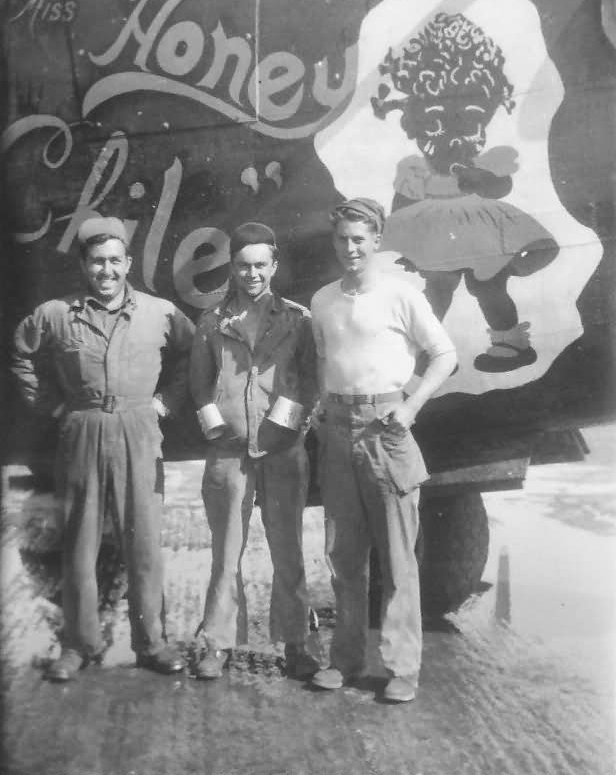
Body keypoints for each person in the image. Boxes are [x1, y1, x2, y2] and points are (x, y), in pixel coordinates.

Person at [11, 216, 195, 682]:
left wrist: (166, 402)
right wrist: (53, 408)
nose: (107, 270)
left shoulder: (161, 312)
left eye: (115, 260)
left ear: (128, 262)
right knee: (79, 543)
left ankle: (152, 642)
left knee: (145, 543)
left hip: (138, 428)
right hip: (82, 428)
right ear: (83, 265)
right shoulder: (56, 313)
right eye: (97, 261)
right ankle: (79, 644)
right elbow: (21, 353)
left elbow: (194, 355)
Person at [310, 197, 457, 702]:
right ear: (334, 243)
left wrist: (412, 406)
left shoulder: (401, 295)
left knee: (397, 558)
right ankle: (345, 661)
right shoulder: (323, 300)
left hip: (387, 428)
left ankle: (401, 669)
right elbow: (323, 360)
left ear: (376, 241)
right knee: (344, 558)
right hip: (337, 431)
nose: (350, 248)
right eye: (342, 239)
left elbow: (444, 354)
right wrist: (318, 410)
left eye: (359, 239)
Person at [189, 222, 318, 680]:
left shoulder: (299, 320)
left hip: (283, 451)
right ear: (233, 268)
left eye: (260, 265)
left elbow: (309, 381)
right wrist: (216, 428)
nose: (252, 274)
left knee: (289, 549)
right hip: (229, 454)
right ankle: (218, 643)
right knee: (226, 552)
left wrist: (285, 429)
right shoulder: (211, 322)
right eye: (243, 266)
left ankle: (298, 643)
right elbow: (199, 387)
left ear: (275, 266)